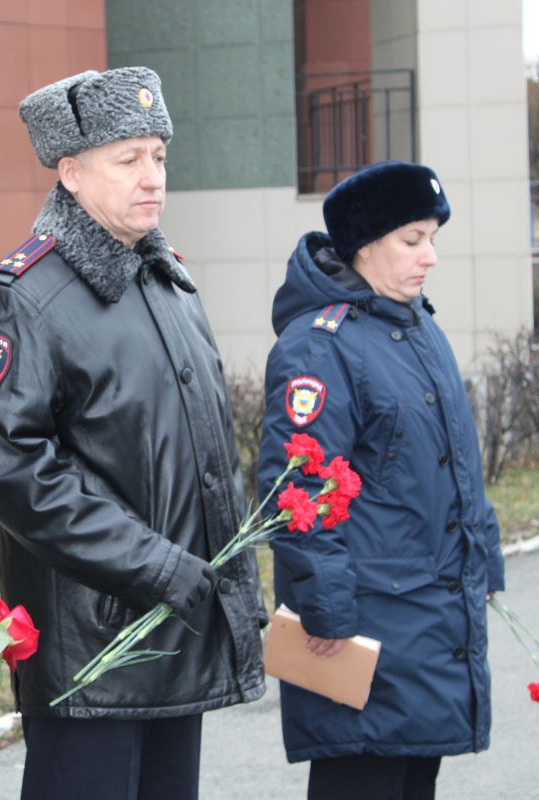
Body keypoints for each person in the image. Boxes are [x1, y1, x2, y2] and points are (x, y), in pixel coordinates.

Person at [0, 67, 266, 800]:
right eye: (127, 159)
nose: (151, 176)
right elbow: (15, 471)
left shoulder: (166, 282)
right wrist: (157, 566)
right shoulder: (20, 298)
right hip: (95, 645)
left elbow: (210, 455)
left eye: (157, 155)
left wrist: (234, 588)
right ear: (70, 171)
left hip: (175, 628)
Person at [257, 161, 505, 800]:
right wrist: (327, 612)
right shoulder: (320, 346)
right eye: (413, 240)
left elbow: (457, 464)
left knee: (413, 777)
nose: (431, 257)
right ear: (365, 245)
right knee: (362, 777)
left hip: (426, 617)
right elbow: (296, 494)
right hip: (363, 626)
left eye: (433, 239)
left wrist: (482, 562)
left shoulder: (418, 327)